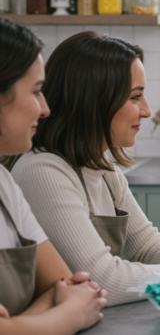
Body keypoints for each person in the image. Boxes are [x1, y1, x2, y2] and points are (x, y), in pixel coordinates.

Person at [12, 31, 160, 306]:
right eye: (135, 97)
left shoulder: (103, 169)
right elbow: (103, 278)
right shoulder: (43, 171)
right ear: (92, 100)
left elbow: (144, 244)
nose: (146, 110)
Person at [0, 18, 107, 333]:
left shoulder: (3, 183)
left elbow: (65, 285)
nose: (44, 109)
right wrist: (69, 316)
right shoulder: (38, 168)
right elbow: (73, 301)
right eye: (35, 92)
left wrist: (17, 327)